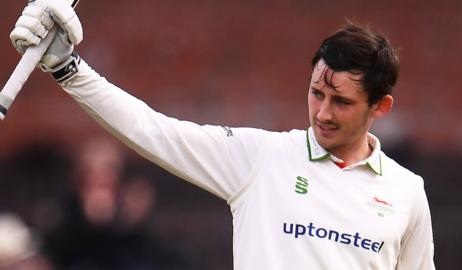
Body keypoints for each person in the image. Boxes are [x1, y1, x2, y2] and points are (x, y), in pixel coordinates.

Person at [9, 0, 436, 269]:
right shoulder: (262, 158)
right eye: (316, 93)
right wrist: (67, 67)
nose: (322, 113)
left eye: (341, 102)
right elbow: (152, 129)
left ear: (380, 107)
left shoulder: (406, 193)